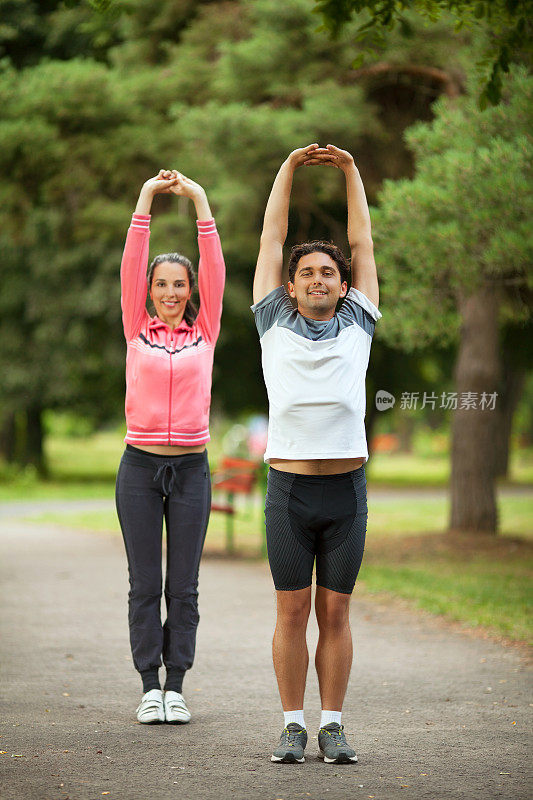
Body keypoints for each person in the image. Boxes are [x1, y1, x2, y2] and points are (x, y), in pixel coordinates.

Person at [251, 144, 381, 764]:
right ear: (292, 287)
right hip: (289, 491)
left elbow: (364, 243)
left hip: (346, 491)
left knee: (335, 612)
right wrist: (290, 169)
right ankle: (291, 726)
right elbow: (272, 239)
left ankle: (332, 724)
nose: (318, 278)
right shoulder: (273, 322)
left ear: (343, 284)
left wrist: (351, 172)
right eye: (307, 274)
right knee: (291, 612)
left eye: (328, 272)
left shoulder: (359, 321)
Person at [116, 169, 225, 724]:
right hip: (138, 469)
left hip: (190, 470)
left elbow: (215, 263)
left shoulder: (206, 328)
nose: (170, 293)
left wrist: (199, 200)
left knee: (182, 585)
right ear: (149, 292)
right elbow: (134, 258)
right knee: (145, 584)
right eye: (161, 285)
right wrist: (147, 199)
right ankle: (147, 687)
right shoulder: (135, 325)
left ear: (192, 291)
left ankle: (176, 685)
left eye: (180, 284)